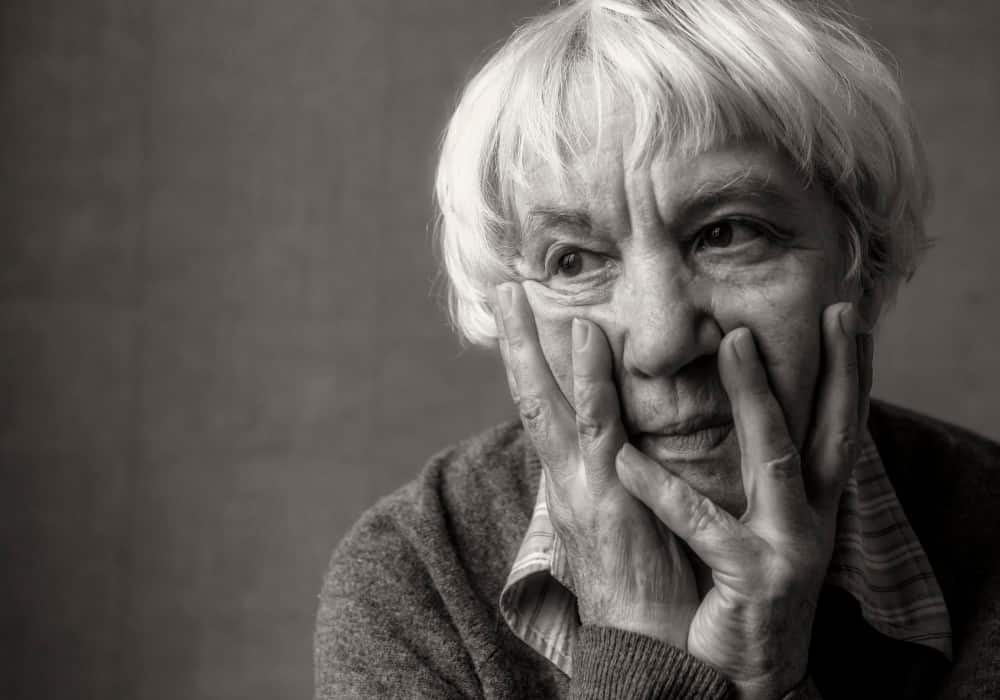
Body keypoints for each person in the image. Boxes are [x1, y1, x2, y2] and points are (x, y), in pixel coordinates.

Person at [315, 0, 1000, 697]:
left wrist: (767, 671)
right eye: (575, 261)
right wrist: (638, 647)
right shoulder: (417, 574)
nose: (663, 341)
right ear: (507, 309)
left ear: (863, 265)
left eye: (727, 233)